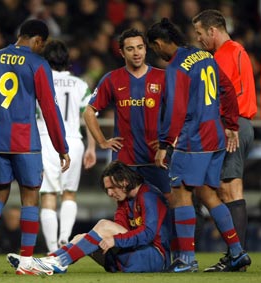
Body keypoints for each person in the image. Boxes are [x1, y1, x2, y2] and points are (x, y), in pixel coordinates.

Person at [146, 18, 251, 272]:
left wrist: (164, 144)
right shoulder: (204, 56)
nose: (156, 53)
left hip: (193, 138)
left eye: (154, 48)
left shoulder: (176, 68)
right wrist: (230, 124)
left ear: (159, 43)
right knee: (207, 193)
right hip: (214, 136)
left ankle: (186, 259)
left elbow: (176, 110)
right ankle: (237, 252)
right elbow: (226, 87)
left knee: (180, 193)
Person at [0, 19, 70, 276]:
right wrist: (61, 147)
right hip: (25, 140)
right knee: (29, 199)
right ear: (38, 40)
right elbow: (50, 109)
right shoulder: (37, 63)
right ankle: (25, 261)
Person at [7, 160, 171, 273]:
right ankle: (46, 262)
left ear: (125, 181)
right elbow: (121, 231)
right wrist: (114, 240)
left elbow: (148, 234)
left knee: (103, 225)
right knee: (80, 237)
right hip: (130, 258)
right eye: (107, 189)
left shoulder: (148, 195)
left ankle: (59, 263)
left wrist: (116, 240)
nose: (109, 193)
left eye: (112, 187)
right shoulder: (124, 200)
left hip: (154, 257)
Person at [192, 9, 257, 272]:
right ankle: (235, 254)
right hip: (233, 125)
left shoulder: (228, 53)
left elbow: (233, 93)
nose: (198, 39)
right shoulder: (230, 52)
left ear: (212, 30)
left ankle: (236, 257)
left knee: (230, 189)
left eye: (199, 33)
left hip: (233, 126)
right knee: (221, 188)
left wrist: (228, 125)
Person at [83, 28, 170, 198]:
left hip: (157, 157)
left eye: (139, 47)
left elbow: (181, 112)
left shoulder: (163, 77)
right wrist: (102, 141)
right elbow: (88, 112)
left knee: (169, 203)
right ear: (122, 52)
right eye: (130, 49)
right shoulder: (111, 78)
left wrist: (171, 141)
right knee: (126, 207)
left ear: (146, 49)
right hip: (125, 160)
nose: (136, 53)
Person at [38, 39, 96, 253]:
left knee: (48, 195)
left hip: (46, 140)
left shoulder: (40, 82)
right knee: (69, 193)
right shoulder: (79, 84)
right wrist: (91, 147)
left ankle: (52, 247)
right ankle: (65, 239)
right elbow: (89, 117)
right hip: (73, 141)